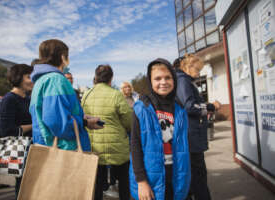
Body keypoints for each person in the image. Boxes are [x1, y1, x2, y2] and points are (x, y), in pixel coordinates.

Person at [129, 58, 190, 200]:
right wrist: (141, 181)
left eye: (168, 77)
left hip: (176, 174)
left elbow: (185, 145)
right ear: (150, 82)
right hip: (150, 177)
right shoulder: (141, 108)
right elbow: (135, 146)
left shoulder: (180, 108)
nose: (163, 82)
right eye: (158, 78)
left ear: (174, 79)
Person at [30, 39, 102, 153]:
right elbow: (57, 122)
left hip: (46, 147)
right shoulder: (55, 80)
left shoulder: (41, 80)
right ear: (63, 57)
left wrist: (81, 116)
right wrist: (85, 123)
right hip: (65, 149)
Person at [81, 64, 132, 200]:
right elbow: (129, 121)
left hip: (94, 146)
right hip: (117, 147)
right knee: (124, 183)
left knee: (96, 185)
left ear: (96, 77)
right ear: (111, 78)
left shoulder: (86, 94)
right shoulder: (116, 95)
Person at [174, 54, 213, 200]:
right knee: (198, 176)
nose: (199, 73)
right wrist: (209, 107)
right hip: (190, 135)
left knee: (193, 175)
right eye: (197, 69)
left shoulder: (184, 80)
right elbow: (189, 106)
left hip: (190, 134)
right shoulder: (183, 81)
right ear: (188, 67)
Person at [0, 64, 34, 199]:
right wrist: (33, 125)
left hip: (30, 148)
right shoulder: (9, 99)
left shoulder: (28, 98)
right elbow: (6, 130)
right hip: (18, 149)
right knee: (23, 189)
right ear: (18, 78)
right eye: (28, 76)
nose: (32, 80)